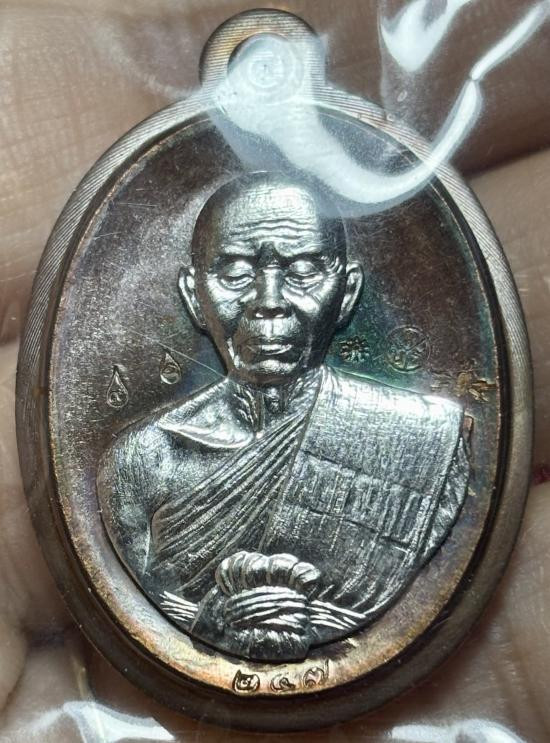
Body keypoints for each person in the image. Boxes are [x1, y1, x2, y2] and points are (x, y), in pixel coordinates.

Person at [97, 172, 470, 660]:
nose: (269, 302)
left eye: (303, 270)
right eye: (236, 273)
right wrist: (214, 623)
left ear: (347, 293)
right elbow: (141, 611)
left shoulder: (425, 444)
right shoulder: (143, 460)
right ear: (193, 296)